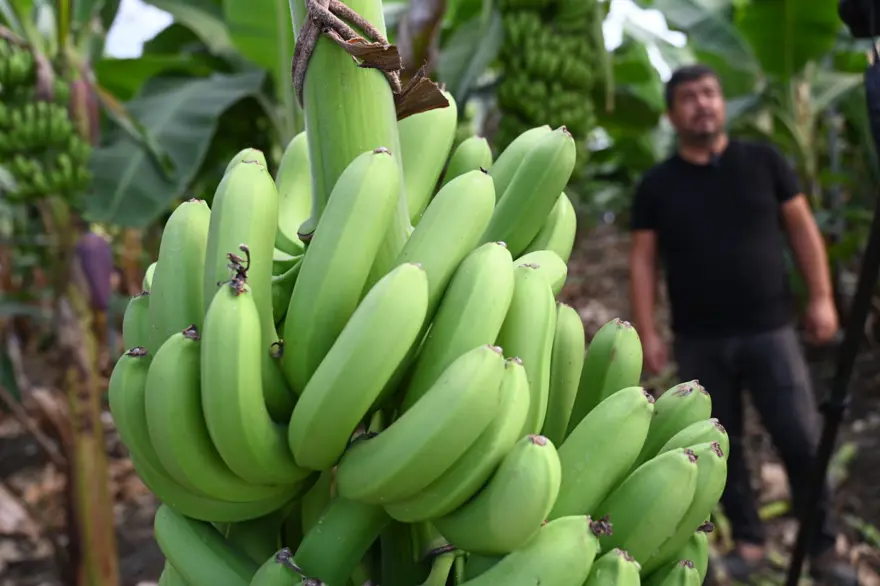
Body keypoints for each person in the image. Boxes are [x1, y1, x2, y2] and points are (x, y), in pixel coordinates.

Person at [627, 64, 858, 585]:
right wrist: (647, 330)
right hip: (699, 338)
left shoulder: (763, 161)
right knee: (719, 447)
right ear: (672, 114)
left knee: (800, 438)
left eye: (710, 93)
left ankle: (821, 546)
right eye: (689, 97)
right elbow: (642, 260)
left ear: (723, 104)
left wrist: (821, 297)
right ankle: (750, 543)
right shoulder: (657, 185)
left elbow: (802, 229)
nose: (702, 104)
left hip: (770, 330)